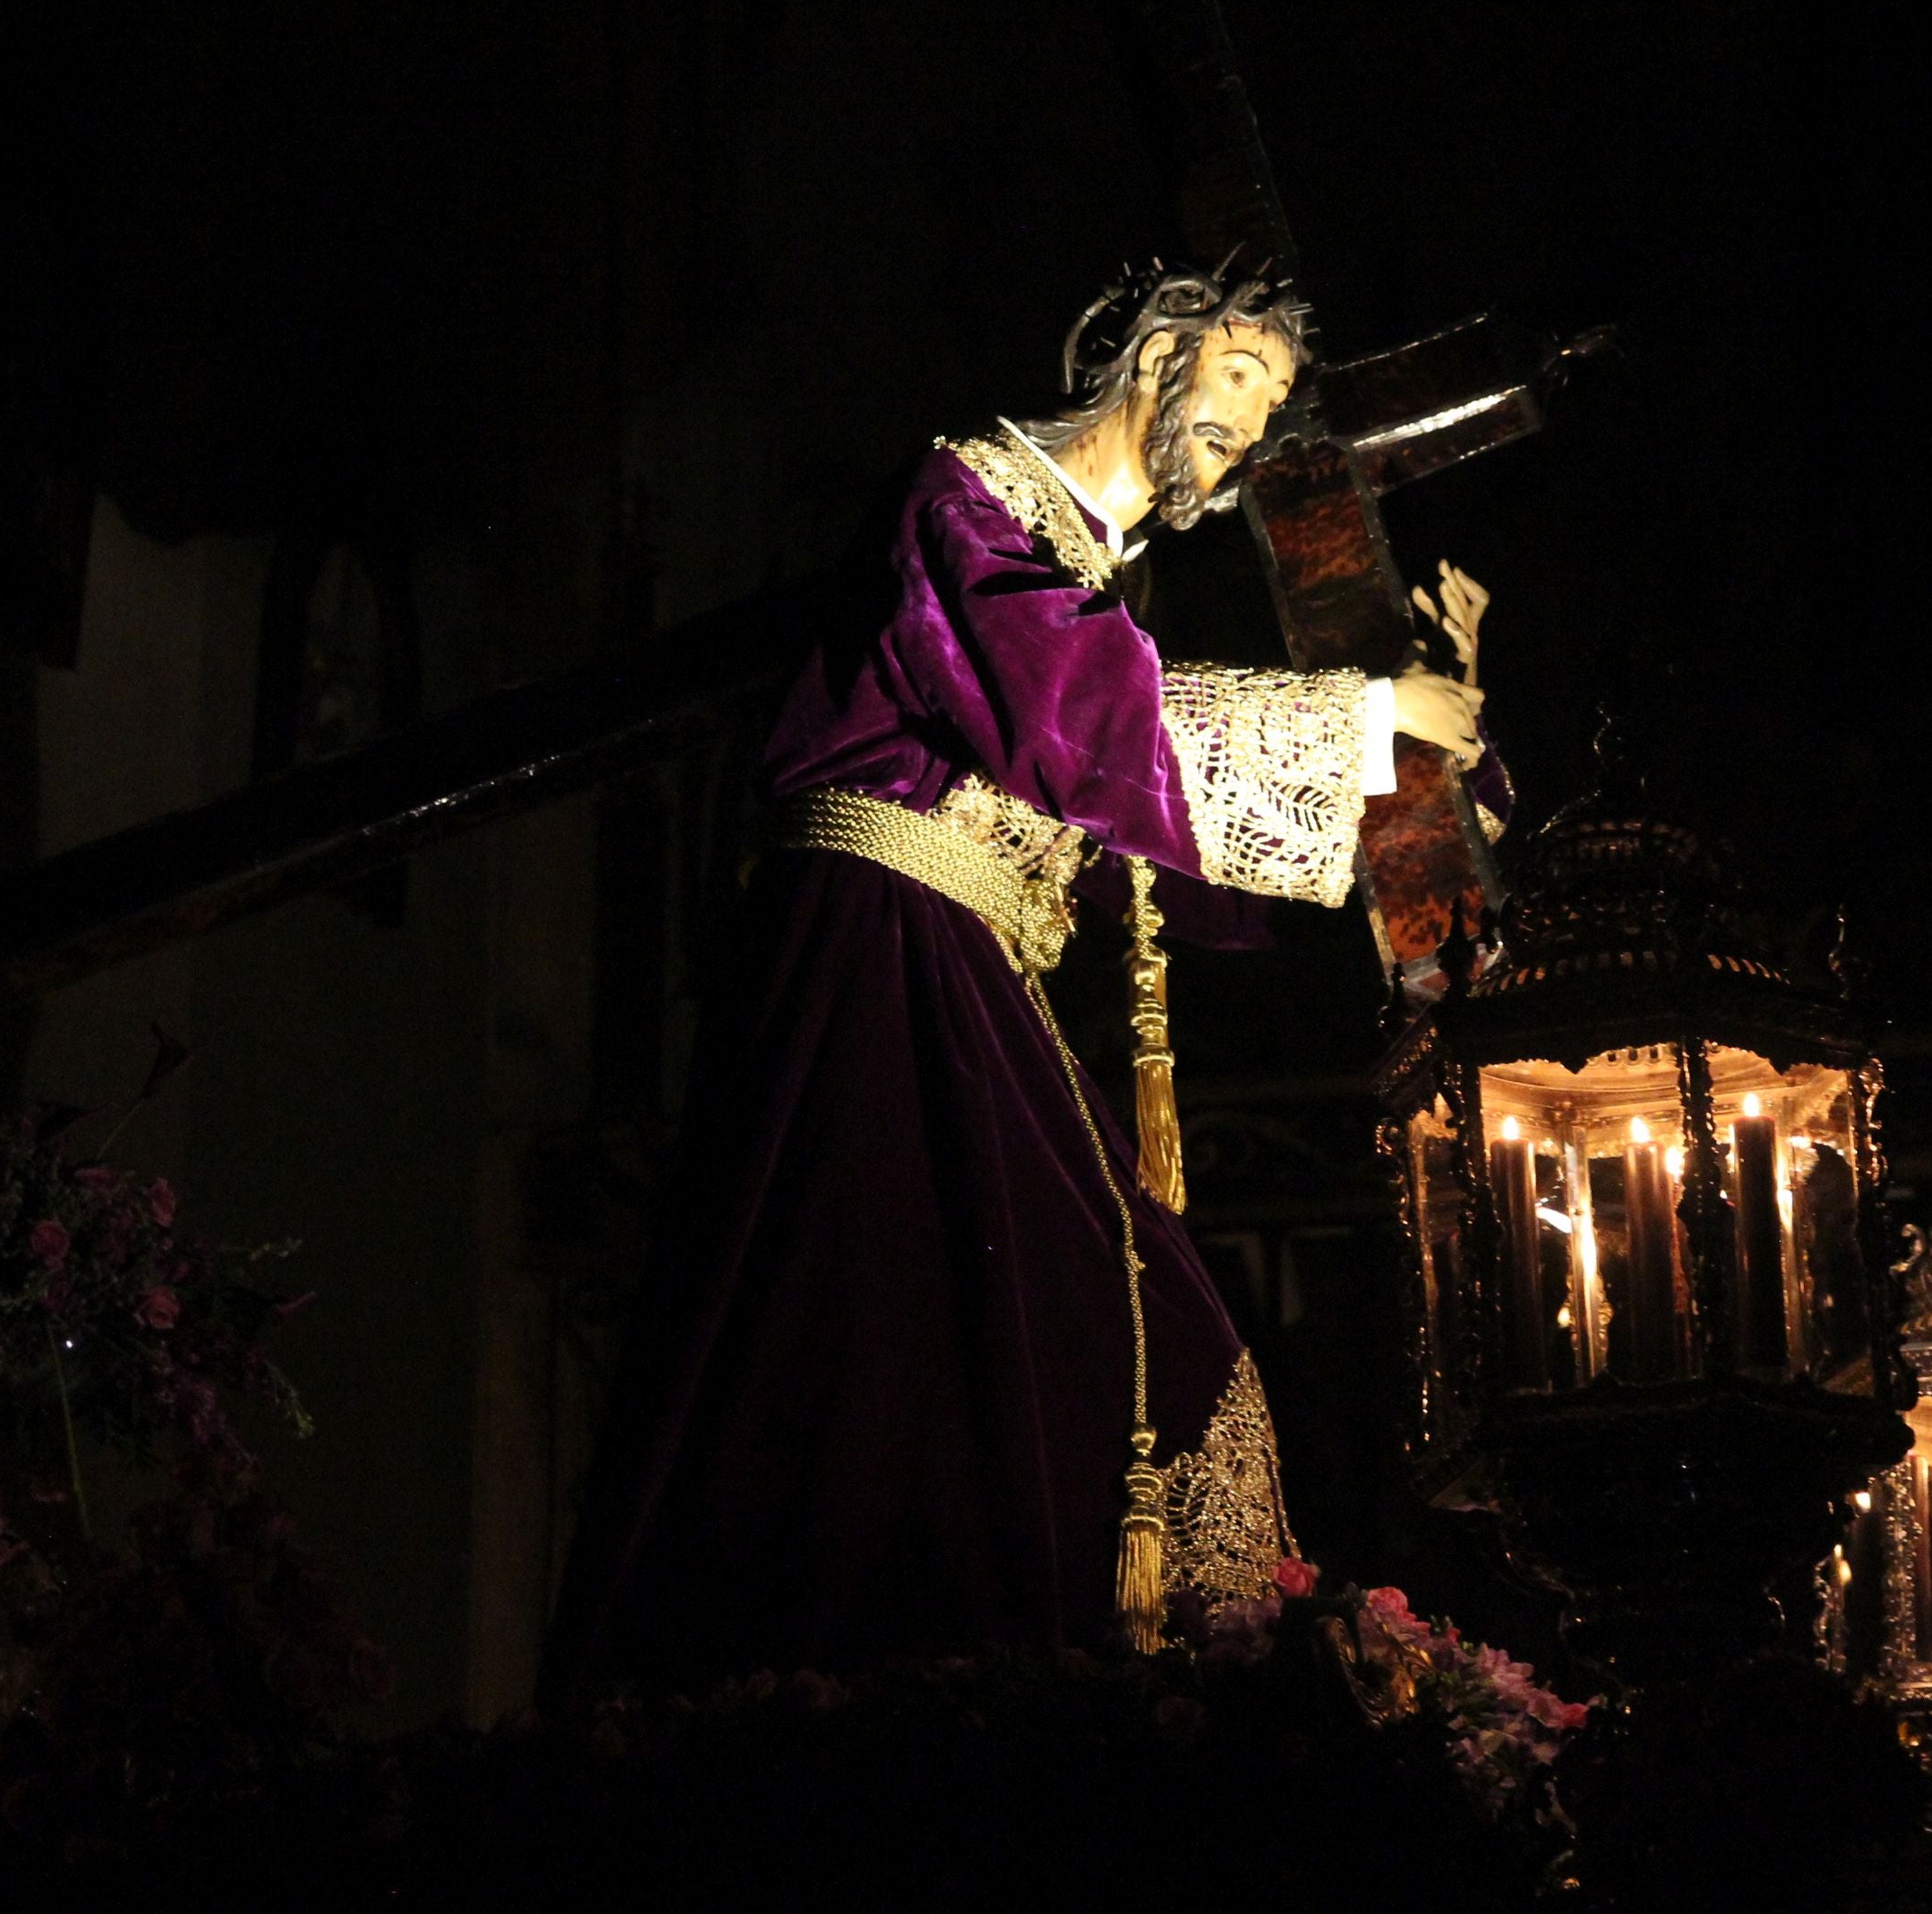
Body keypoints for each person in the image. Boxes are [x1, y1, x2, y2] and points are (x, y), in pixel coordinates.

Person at [543, 266, 1499, 1696]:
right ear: (1159, 349)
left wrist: (1422, 805)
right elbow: (1076, 720)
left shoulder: (1087, 576)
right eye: (1236, 380)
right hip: (884, 942)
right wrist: (1363, 728)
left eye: (1266, 409)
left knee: (1056, 1340)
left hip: (957, 957)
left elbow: (1127, 839)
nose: (1245, 431)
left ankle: (1023, 1685)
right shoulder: (970, 499)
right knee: (1028, 1328)